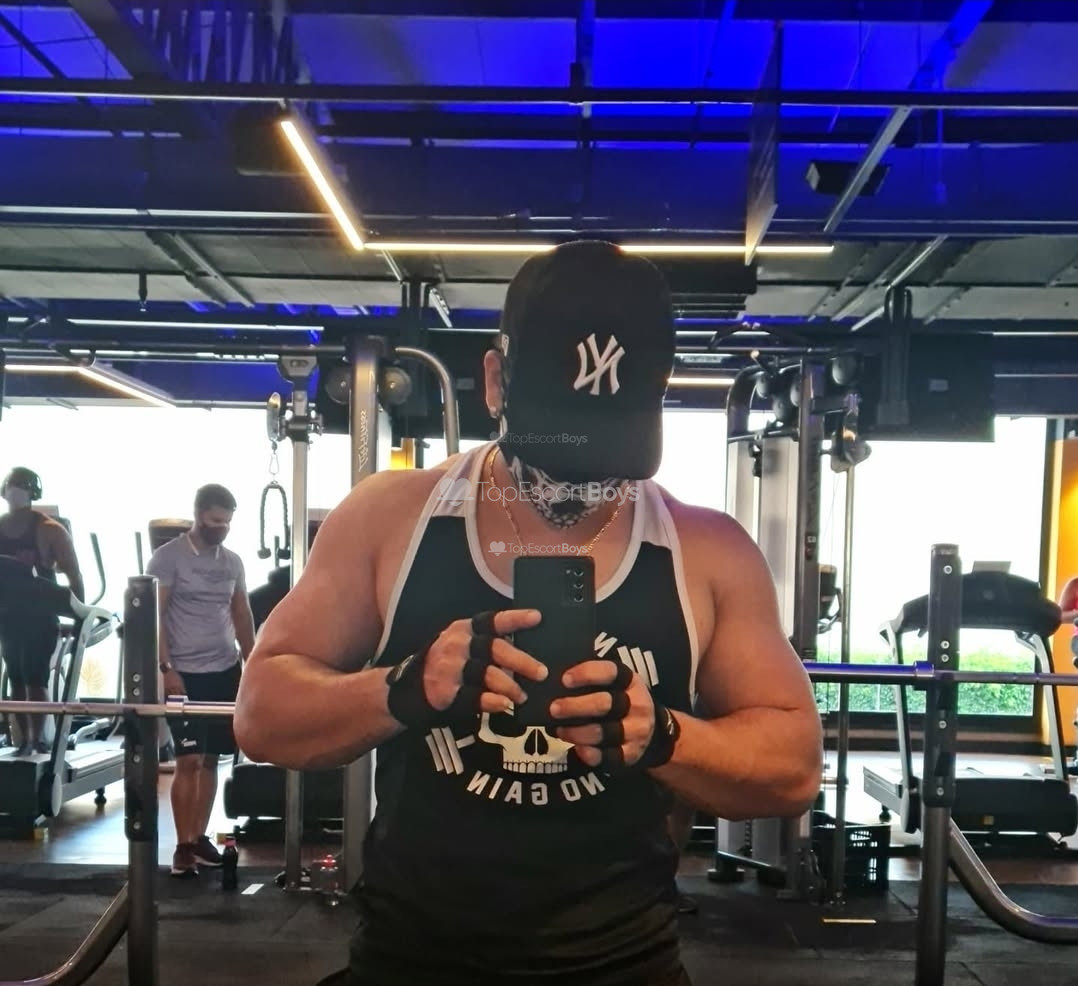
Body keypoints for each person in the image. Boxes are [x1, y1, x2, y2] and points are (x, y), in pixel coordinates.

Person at [234, 240, 823, 986]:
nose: (581, 476)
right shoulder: (390, 518)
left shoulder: (707, 551)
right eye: (558, 437)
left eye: (607, 445)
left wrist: (663, 736)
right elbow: (261, 715)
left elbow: (794, 767)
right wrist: (405, 687)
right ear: (494, 380)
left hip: (622, 965)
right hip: (411, 960)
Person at [146, 484, 255, 878]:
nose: (222, 528)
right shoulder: (168, 559)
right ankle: (182, 846)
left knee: (210, 759)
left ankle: (198, 837)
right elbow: (155, 616)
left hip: (223, 670)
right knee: (188, 759)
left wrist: (253, 662)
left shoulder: (232, 562)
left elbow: (241, 614)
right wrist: (166, 668)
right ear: (198, 516)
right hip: (184, 673)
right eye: (215, 521)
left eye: (227, 523)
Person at [0, 467, 84, 757]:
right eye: (12, 485)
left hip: (39, 615)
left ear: (32, 493)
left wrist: (79, 617)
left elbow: (74, 575)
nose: (15, 491)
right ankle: (23, 740)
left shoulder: (50, 529)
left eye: (21, 486)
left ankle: (38, 740)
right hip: (8, 615)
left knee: (35, 677)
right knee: (16, 677)